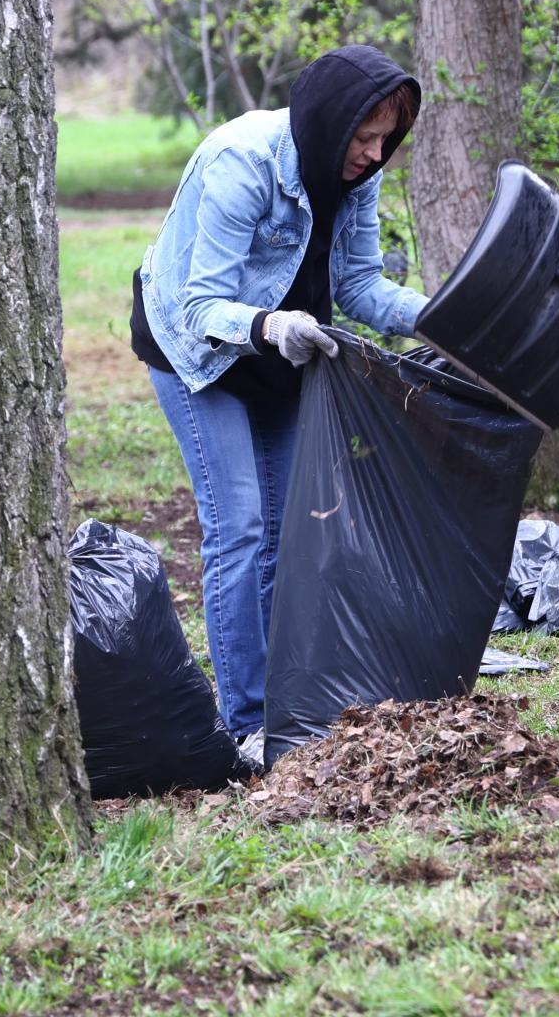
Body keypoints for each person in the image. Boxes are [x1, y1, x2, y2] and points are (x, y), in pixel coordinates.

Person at [130, 46, 428, 749]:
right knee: (238, 526)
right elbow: (203, 304)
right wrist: (269, 324)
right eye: (362, 136)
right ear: (329, 121)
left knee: (289, 533)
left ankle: (284, 706)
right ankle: (246, 724)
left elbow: (358, 286)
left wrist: (441, 314)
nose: (372, 153)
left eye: (385, 138)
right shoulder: (243, 161)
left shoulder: (359, 177)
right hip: (197, 352)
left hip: (281, 356)